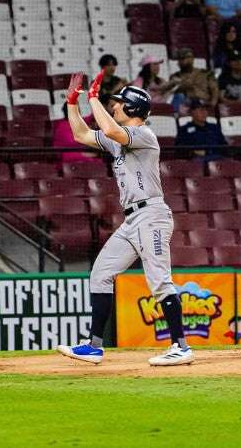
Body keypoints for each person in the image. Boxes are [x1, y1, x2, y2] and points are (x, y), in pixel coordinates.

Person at [57, 71, 194, 366]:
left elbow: (112, 131)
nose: (115, 106)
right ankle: (94, 346)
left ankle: (181, 347)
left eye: (119, 103)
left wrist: (93, 98)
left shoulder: (144, 135)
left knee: (159, 281)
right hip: (133, 220)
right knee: (100, 273)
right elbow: (81, 134)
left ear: (132, 108)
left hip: (151, 215)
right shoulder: (117, 139)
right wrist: (72, 103)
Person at [170, 47, 219, 112]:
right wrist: (183, 86)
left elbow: (214, 89)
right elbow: (173, 92)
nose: (181, 62)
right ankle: (176, 115)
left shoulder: (206, 73)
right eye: (180, 59)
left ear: (192, 59)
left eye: (183, 58)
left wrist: (213, 103)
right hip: (186, 105)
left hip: (204, 103)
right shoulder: (175, 76)